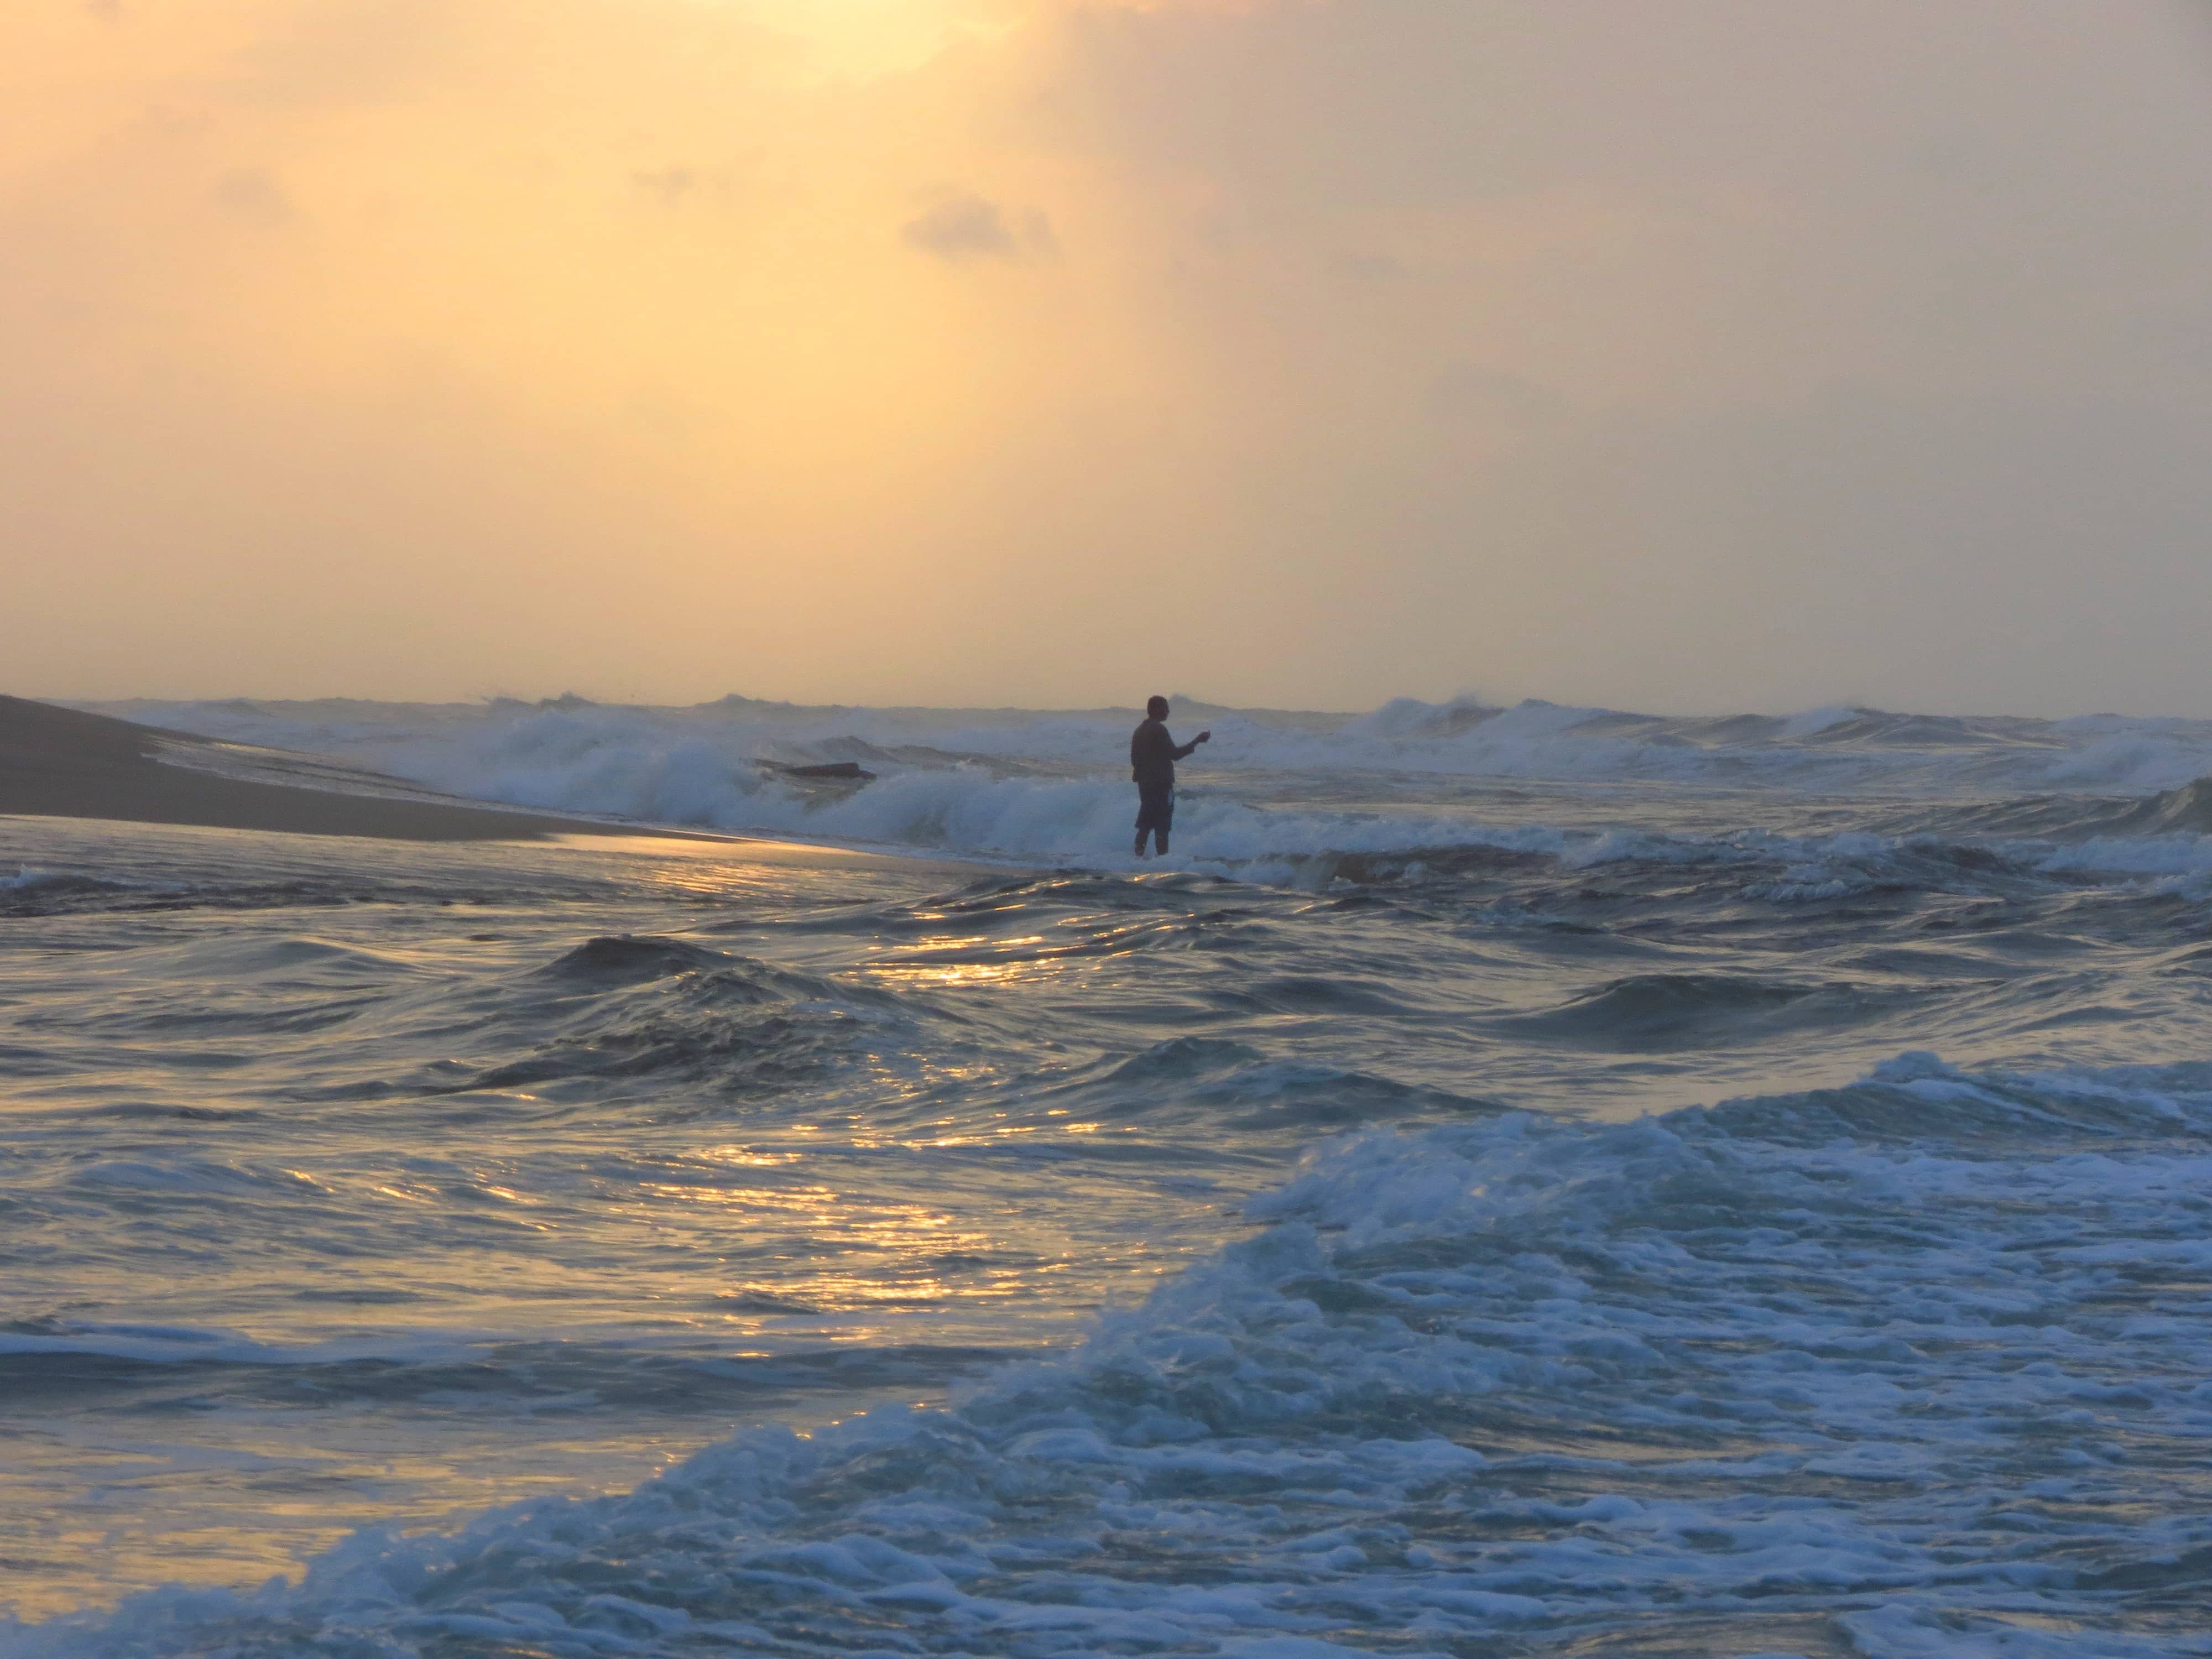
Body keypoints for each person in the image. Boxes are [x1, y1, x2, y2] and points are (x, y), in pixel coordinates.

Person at [1129, 695, 1209, 857]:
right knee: (1162, 826)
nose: (1168, 711)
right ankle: (1162, 862)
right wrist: (1197, 741)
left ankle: (1137, 858)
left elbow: (1135, 760)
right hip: (1161, 785)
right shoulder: (1158, 729)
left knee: (1145, 824)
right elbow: (1175, 754)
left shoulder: (1139, 730)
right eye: (1165, 707)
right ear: (1155, 709)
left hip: (1145, 785)